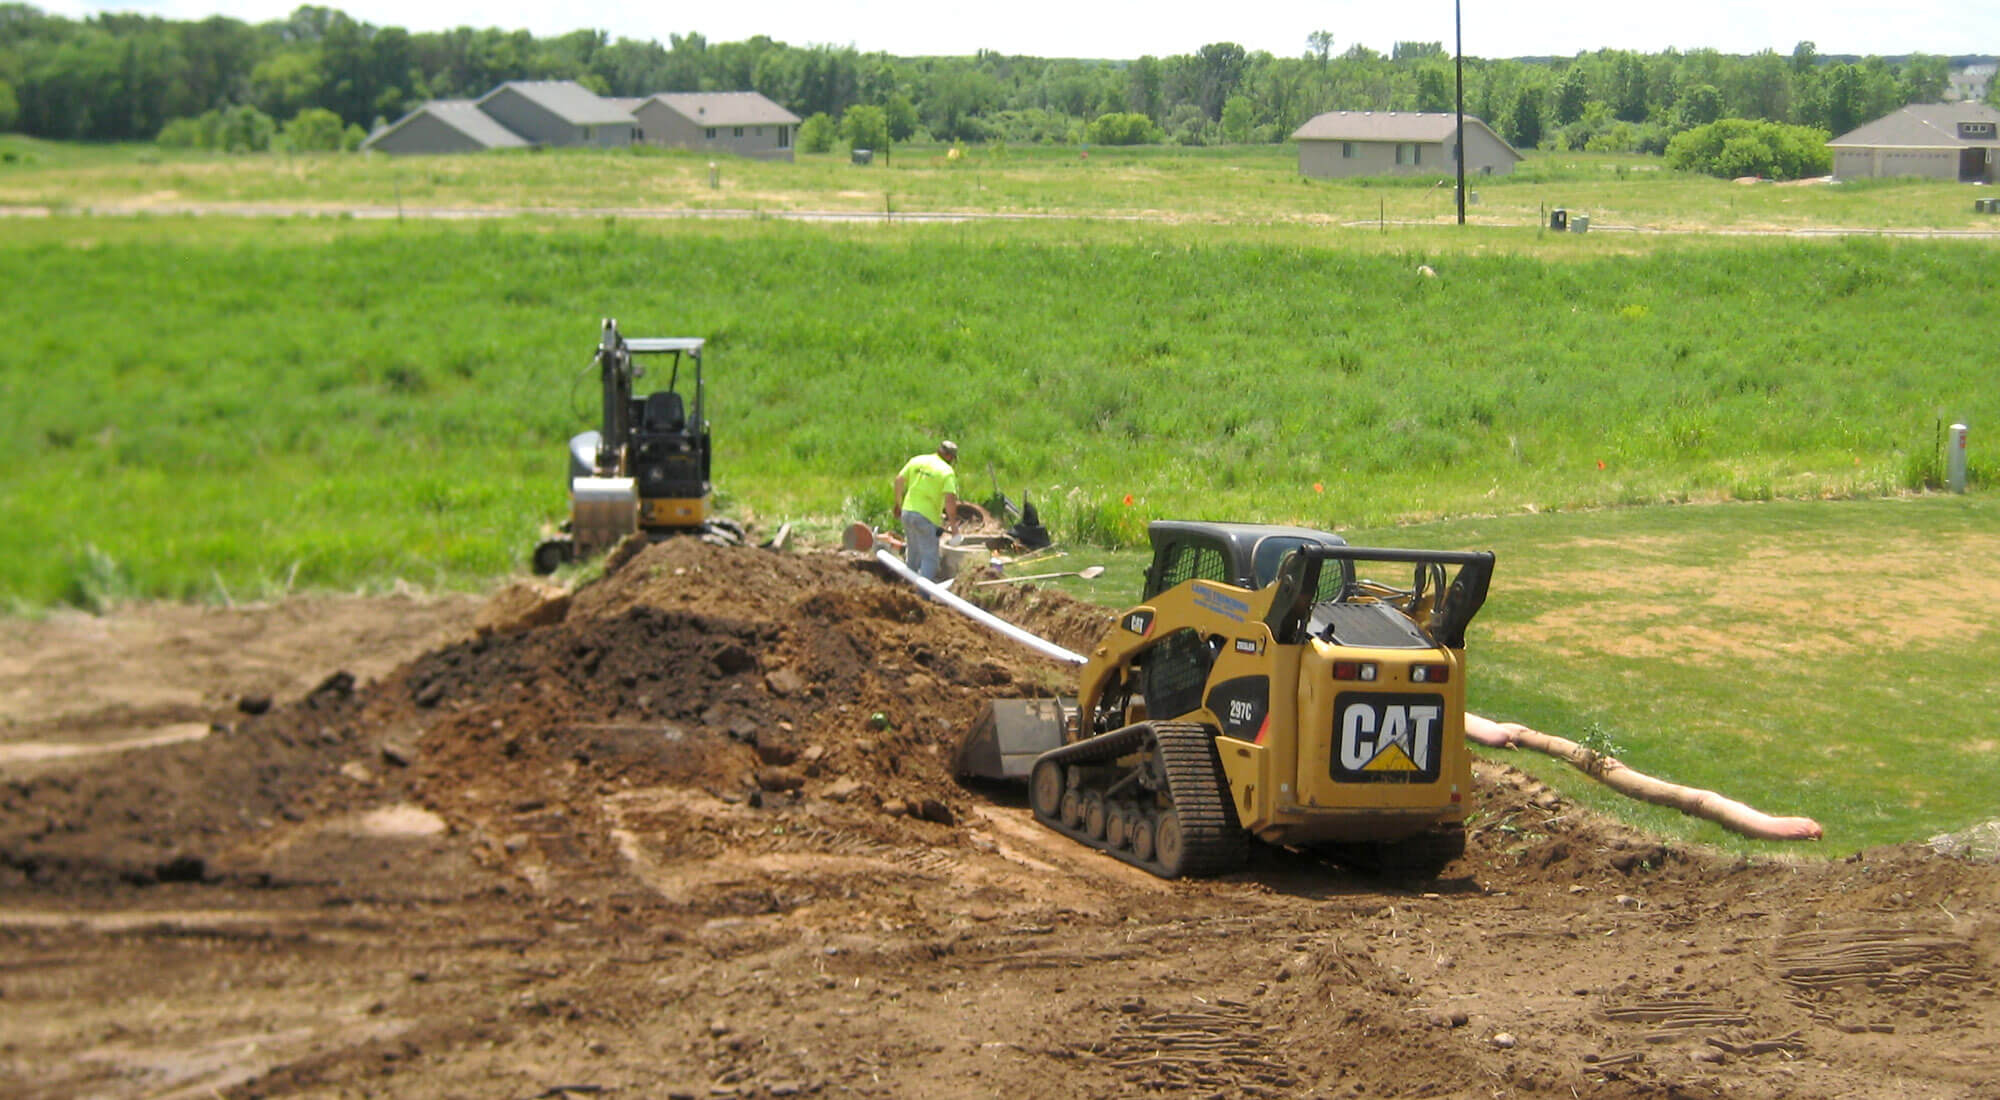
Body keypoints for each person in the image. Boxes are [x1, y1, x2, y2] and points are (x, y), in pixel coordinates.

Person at [892, 440, 961, 581]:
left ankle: (907, 591)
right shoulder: (946, 471)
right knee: (930, 559)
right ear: (949, 457)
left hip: (907, 512)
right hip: (926, 517)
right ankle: (922, 597)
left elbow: (899, 479)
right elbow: (950, 500)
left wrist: (898, 504)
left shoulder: (917, 460)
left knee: (913, 555)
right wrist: (954, 526)